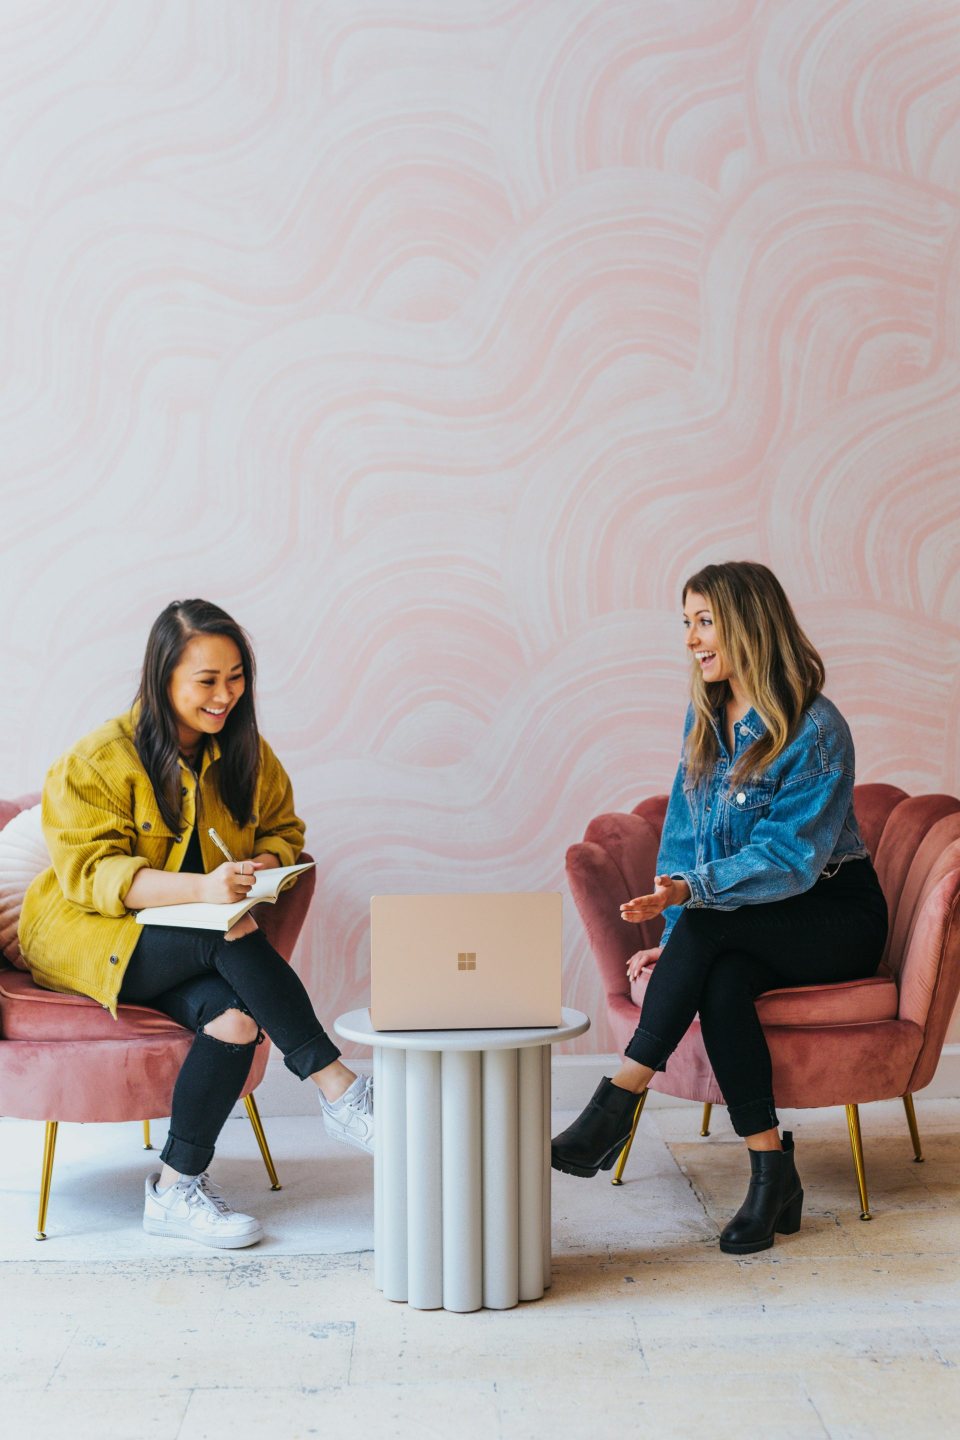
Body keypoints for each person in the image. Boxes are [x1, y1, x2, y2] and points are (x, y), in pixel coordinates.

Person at [551, 561, 888, 1254]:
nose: (691, 639)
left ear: (748, 624)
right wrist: (679, 931)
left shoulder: (814, 727)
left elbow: (788, 861)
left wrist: (690, 905)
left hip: (833, 917)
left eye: (703, 621)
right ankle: (772, 1176)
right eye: (687, 623)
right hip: (747, 920)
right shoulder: (706, 716)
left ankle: (618, 1100)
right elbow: (682, 840)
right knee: (723, 979)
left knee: (707, 926)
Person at [19, 598, 373, 1250]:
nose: (225, 695)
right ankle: (339, 1089)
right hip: (86, 935)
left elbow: (284, 830)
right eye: (206, 681)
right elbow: (98, 877)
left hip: (188, 945)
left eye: (235, 676)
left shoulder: (243, 752)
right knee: (227, 931)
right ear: (163, 680)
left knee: (235, 1021)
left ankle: (177, 1187)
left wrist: (264, 863)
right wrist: (205, 890)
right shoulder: (97, 758)